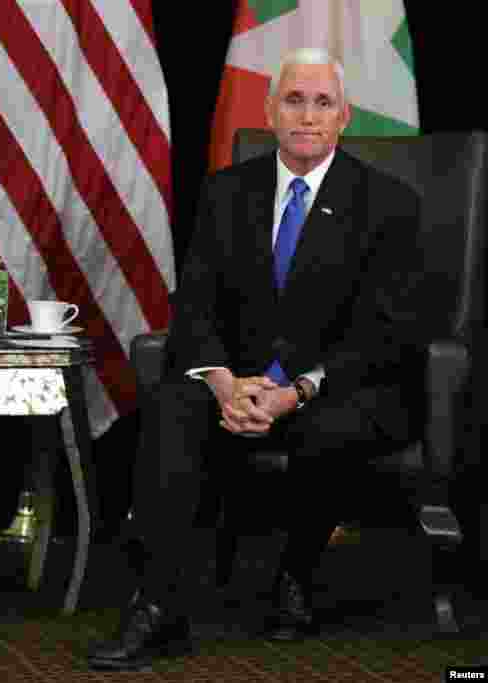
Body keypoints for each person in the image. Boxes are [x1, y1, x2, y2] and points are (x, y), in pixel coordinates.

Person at [88, 47, 425, 670]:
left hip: (336, 385)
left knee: (337, 423)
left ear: (344, 117)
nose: (307, 115)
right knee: (170, 405)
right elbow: (194, 308)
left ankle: (294, 577)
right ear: (270, 111)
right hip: (236, 378)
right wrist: (221, 382)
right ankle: (159, 605)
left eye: (323, 102)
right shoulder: (225, 192)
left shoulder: (388, 202)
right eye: (294, 99)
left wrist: (296, 390)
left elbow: (387, 332)